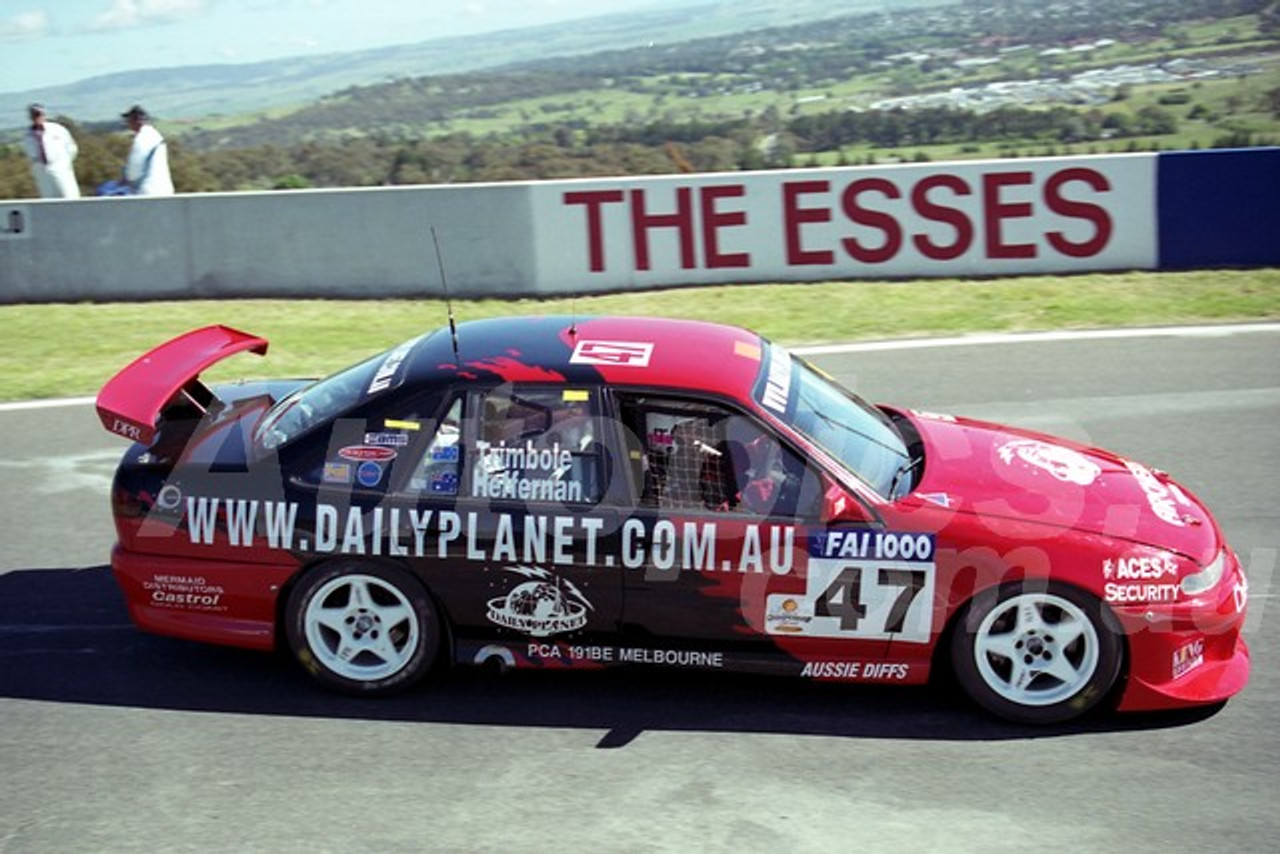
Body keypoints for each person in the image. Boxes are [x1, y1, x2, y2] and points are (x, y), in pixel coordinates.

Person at [21, 104, 80, 199]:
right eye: (34, 115)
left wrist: (64, 164)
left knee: (68, 196)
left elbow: (71, 148)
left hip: (59, 167)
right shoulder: (27, 136)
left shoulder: (57, 129)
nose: (37, 117)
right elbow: (29, 154)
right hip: (41, 171)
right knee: (48, 199)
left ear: (44, 115)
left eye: (39, 114)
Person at [121, 105, 174, 195]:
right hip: (164, 189)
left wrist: (127, 179)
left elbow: (135, 165)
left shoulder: (143, 138)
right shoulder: (154, 136)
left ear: (136, 120)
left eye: (129, 120)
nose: (127, 123)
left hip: (148, 191)